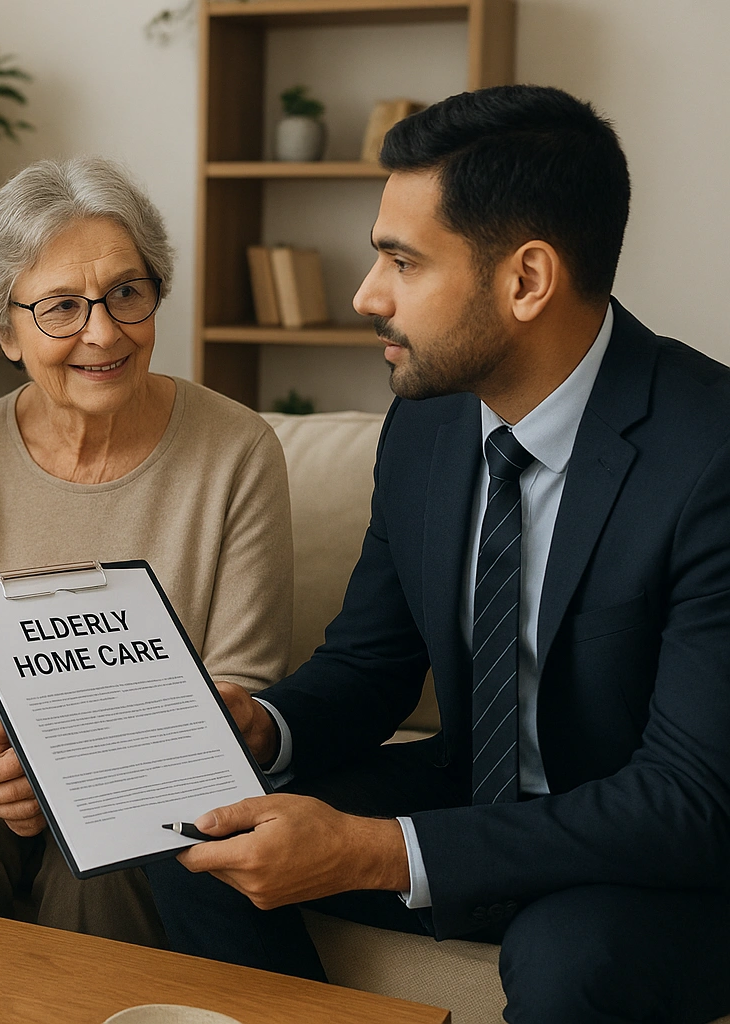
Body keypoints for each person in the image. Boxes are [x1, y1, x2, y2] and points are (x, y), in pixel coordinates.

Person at [144, 85, 730, 1024]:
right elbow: (372, 665)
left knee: (567, 956)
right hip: (478, 789)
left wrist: (379, 851)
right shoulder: (425, 425)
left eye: (401, 261)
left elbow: (690, 801)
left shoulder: (710, 453)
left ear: (527, 279)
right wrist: (266, 724)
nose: (365, 295)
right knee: (204, 843)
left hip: (657, 847)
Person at [0, 156, 293, 944]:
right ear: (4, 328)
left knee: (111, 859)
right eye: (62, 308)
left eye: (126, 294)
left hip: (158, 762)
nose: (102, 333)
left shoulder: (239, 451)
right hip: (1, 750)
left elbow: (244, 676)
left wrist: (102, 770)